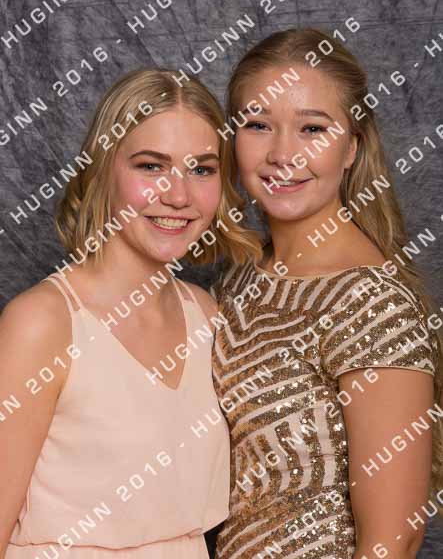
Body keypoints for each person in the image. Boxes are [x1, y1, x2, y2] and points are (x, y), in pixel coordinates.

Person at [0, 68, 263, 559]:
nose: (178, 195)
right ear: (103, 170)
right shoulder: (42, 323)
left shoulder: (206, 315)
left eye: (202, 170)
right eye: (151, 166)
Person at [210, 28, 443, 558]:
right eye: (258, 125)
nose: (282, 154)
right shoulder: (242, 274)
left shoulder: (373, 304)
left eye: (312, 128)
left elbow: (395, 540)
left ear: (351, 147)